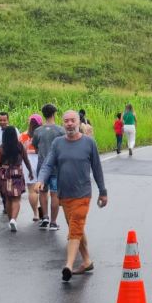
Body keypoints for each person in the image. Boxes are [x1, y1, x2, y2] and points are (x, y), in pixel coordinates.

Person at [35, 110, 108, 282]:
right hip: (64, 195)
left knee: (75, 227)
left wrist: (103, 192)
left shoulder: (89, 143)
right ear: (63, 123)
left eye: (72, 120)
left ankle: (68, 265)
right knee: (77, 227)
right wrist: (40, 180)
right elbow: (47, 164)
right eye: (66, 121)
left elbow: (97, 169)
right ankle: (87, 261)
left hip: (82, 194)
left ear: (78, 122)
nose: (69, 124)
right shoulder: (57, 143)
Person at [33, 104, 66, 230]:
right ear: (54, 114)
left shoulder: (38, 131)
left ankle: (44, 217)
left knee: (42, 191)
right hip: (56, 167)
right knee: (54, 194)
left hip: (42, 166)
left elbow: (35, 146)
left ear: (44, 114)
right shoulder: (60, 130)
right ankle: (53, 222)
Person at [0, 127, 33, 232]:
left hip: (4, 174)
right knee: (16, 199)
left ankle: (10, 219)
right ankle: (13, 220)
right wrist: (30, 171)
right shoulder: (19, 146)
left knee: (8, 199)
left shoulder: (1, 148)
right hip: (16, 173)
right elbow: (26, 159)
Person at [19, 114, 43, 221]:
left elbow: (19, 151)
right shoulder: (43, 133)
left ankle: (36, 214)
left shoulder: (23, 135)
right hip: (41, 159)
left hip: (28, 161)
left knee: (32, 190)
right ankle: (43, 212)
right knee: (43, 189)